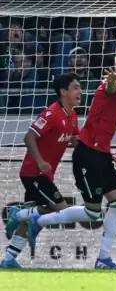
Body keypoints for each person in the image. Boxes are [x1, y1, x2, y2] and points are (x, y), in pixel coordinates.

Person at [27, 50, 116, 269]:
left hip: (102, 154)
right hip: (88, 155)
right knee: (92, 212)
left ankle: (103, 258)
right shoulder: (109, 85)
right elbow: (112, 88)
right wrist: (112, 81)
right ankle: (39, 220)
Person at [1, 73, 82, 269]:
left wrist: (102, 155)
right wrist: (40, 161)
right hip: (34, 172)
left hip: (43, 174)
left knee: (29, 221)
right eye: (76, 87)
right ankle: (17, 214)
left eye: (80, 87)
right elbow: (28, 137)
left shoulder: (72, 117)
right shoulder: (51, 113)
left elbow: (78, 144)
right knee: (62, 209)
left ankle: (8, 259)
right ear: (63, 92)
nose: (80, 91)